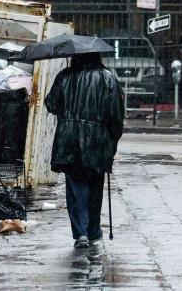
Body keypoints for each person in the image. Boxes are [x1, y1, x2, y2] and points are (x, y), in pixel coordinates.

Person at [45, 52, 124, 248]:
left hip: (69, 139)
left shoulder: (65, 76)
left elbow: (51, 104)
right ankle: (93, 231)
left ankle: (81, 232)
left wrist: (68, 110)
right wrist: (112, 141)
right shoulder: (107, 78)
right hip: (97, 140)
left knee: (75, 187)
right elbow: (116, 114)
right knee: (95, 187)